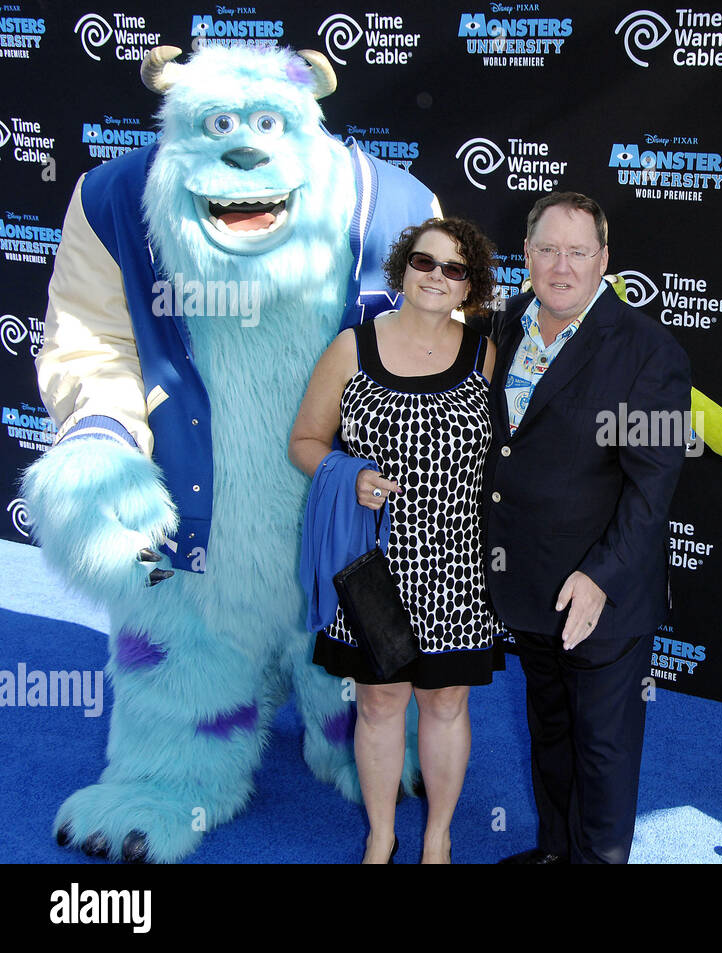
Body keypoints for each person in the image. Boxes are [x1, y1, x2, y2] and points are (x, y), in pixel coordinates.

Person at [479, 192, 691, 864]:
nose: (560, 266)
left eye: (577, 252)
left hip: (603, 590)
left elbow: (652, 488)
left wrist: (599, 576)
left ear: (603, 259)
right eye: (546, 249)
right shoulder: (505, 322)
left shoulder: (649, 351)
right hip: (526, 581)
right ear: (527, 255)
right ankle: (555, 849)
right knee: (550, 725)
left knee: (602, 743)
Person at [289, 217, 502, 864]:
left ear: (472, 285)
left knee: (446, 702)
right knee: (380, 703)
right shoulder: (352, 348)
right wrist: (347, 476)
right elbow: (304, 442)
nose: (437, 276)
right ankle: (381, 836)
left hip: (460, 568)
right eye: (424, 261)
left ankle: (437, 837)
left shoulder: (483, 354)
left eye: (454, 268)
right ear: (402, 268)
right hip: (375, 564)